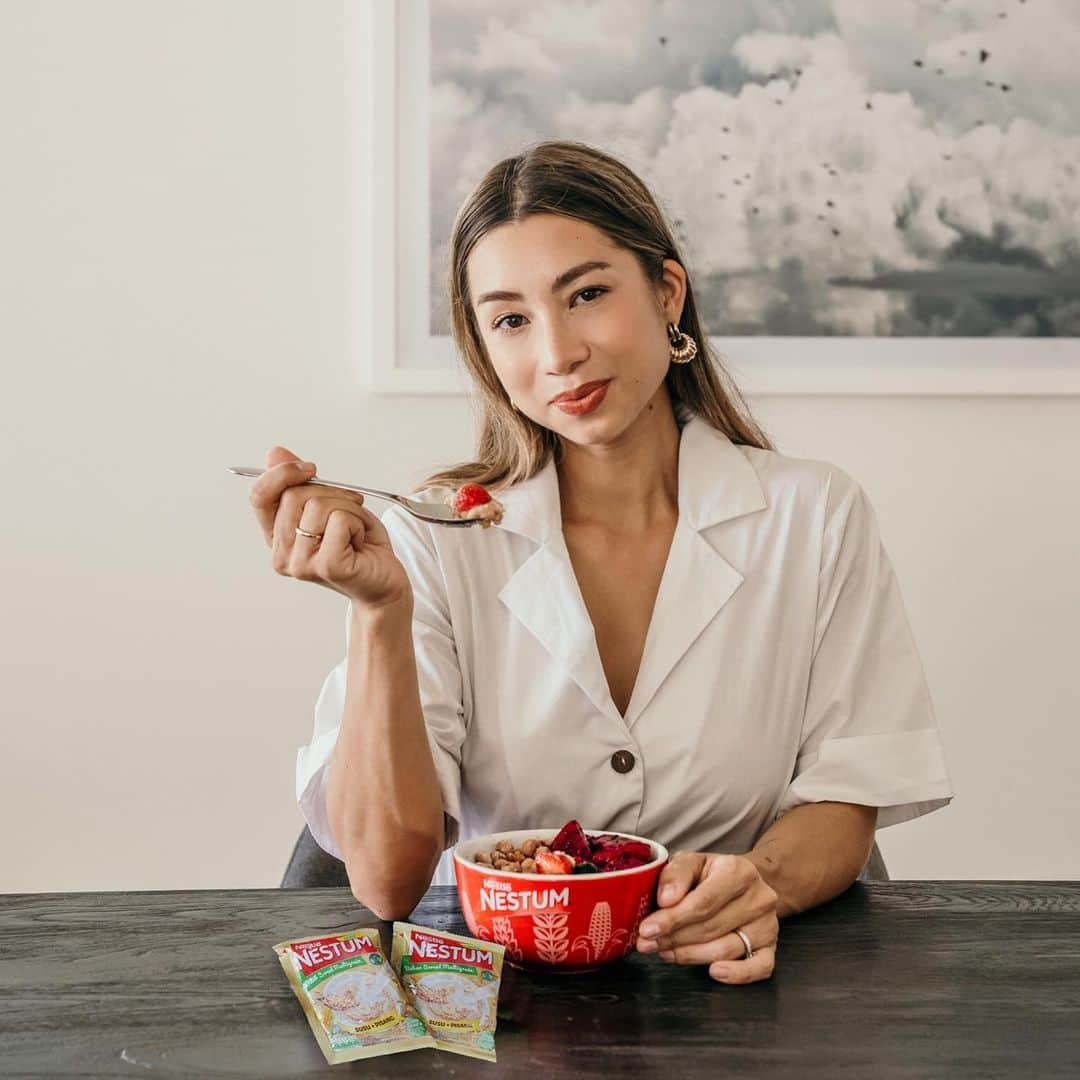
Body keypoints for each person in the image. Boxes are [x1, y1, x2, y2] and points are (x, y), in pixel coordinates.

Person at [249, 140, 953, 986]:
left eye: (586, 295)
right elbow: (390, 884)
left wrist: (756, 884)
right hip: (497, 997)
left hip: (725, 986)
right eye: (511, 319)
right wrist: (377, 613)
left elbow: (848, 793)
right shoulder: (437, 535)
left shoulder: (814, 515)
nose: (558, 354)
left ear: (667, 293)